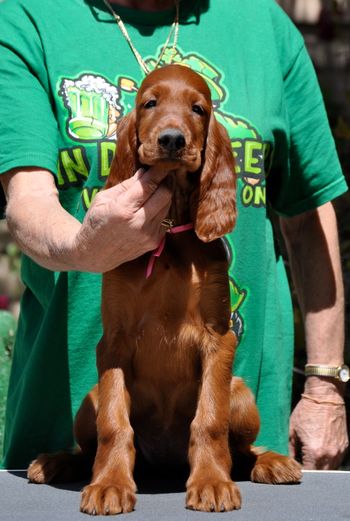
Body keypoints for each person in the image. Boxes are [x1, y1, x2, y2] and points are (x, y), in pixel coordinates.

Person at [0, 0, 348, 470]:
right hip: (68, 423)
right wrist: (85, 247)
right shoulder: (26, 16)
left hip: (229, 448)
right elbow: (26, 202)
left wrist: (324, 388)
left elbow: (307, 214)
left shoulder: (264, 23)